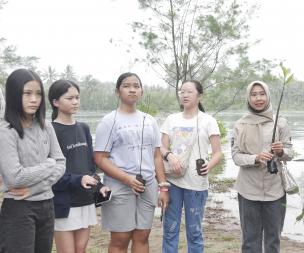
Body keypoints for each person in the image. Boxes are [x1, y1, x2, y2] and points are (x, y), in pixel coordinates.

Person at [93, 72, 169, 253]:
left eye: (136, 86)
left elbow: (156, 156)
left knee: (142, 235)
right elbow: (100, 158)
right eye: (127, 86)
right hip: (120, 185)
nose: (132, 89)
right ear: (117, 92)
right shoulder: (109, 121)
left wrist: (163, 187)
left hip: (147, 185)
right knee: (120, 238)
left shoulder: (149, 121)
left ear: (141, 92)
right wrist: (127, 179)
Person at [0, 69, 66, 253]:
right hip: (18, 208)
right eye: (27, 93)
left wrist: (35, 188)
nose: (34, 99)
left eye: (38, 94)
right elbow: (15, 177)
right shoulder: (6, 131)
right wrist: (48, 164)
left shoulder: (46, 126)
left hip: (47, 204)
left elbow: (61, 163)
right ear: (14, 94)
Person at [48, 79, 110, 253]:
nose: (75, 102)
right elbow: (51, 172)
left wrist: (99, 186)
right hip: (63, 202)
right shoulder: (50, 130)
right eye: (70, 98)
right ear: (55, 102)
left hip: (85, 200)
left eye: (77, 97)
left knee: (80, 250)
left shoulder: (83, 128)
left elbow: (89, 167)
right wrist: (78, 179)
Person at [160, 80, 223, 252]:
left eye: (189, 92)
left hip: (197, 184)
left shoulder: (208, 121)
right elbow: (161, 148)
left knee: (194, 231)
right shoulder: (171, 119)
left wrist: (208, 166)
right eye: (182, 92)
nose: (185, 95)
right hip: (173, 181)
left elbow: (218, 152)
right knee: (170, 228)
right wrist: (170, 155)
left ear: (199, 95)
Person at [231, 81, 293, 253]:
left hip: (275, 190)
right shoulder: (240, 124)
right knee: (250, 241)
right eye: (253, 94)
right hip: (248, 190)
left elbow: (290, 152)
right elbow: (236, 156)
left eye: (262, 93)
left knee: (273, 239)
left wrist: (281, 152)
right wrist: (255, 158)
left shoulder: (280, 122)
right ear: (248, 98)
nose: (258, 98)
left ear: (268, 95)